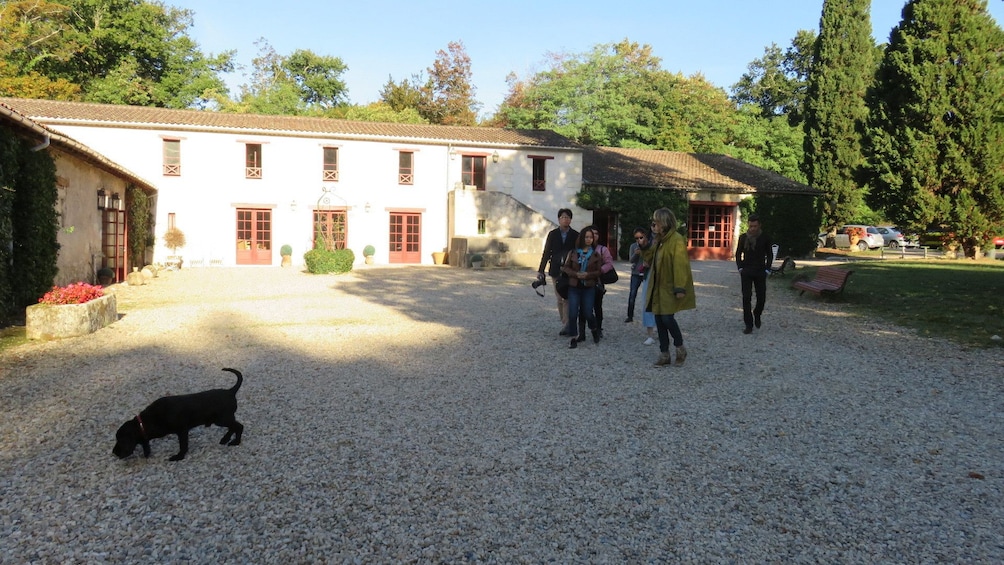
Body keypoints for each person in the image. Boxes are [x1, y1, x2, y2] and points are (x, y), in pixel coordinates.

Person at [640, 208, 696, 367]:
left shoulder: (676, 240)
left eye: (656, 222)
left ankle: (680, 348)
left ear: (664, 223)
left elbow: (680, 264)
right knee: (659, 319)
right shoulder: (659, 240)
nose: (653, 225)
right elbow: (649, 258)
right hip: (657, 286)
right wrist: (645, 246)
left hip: (669, 287)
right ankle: (664, 354)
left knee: (667, 318)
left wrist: (680, 287)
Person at [537, 208, 579, 335]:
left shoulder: (575, 235)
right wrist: (541, 270)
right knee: (560, 298)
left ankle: (567, 324)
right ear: (559, 219)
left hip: (569, 271)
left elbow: (578, 253)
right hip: (555, 269)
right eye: (563, 217)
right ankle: (564, 320)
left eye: (567, 217)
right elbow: (547, 252)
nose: (565, 219)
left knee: (568, 298)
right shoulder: (553, 234)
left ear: (570, 219)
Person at [561, 229, 602, 348]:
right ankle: (573, 338)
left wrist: (588, 275)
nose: (588, 239)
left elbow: (599, 271)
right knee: (573, 313)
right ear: (581, 238)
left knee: (588, 313)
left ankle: (594, 329)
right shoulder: (573, 253)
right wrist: (576, 274)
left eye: (591, 237)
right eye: (586, 237)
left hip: (589, 287)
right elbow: (566, 268)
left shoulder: (596, 255)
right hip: (574, 286)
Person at [735, 213, 773, 334]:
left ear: (759, 225)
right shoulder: (743, 237)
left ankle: (757, 313)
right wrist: (740, 268)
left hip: (760, 271)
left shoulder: (765, 237)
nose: (753, 228)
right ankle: (748, 324)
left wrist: (767, 269)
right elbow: (738, 253)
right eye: (751, 226)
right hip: (746, 271)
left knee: (761, 298)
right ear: (748, 225)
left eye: (755, 226)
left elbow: (770, 254)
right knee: (746, 298)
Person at [578, 226, 614, 340]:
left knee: (597, 306)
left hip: (597, 281)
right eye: (591, 234)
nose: (594, 236)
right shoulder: (579, 249)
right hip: (583, 282)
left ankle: (598, 329)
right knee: (582, 308)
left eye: (596, 233)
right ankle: (582, 332)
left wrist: (600, 271)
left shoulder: (603, 249)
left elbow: (609, 263)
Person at [625, 227, 649, 323]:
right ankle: (630, 316)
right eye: (636, 238)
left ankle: (649, 316)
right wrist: (636, 254)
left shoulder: (650, 246)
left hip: (647, 272)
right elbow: (631, 260)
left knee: (648, 295)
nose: (639, 240)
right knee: (632, 294)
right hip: (636, 273)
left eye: (641, 237)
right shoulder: (633, 246)